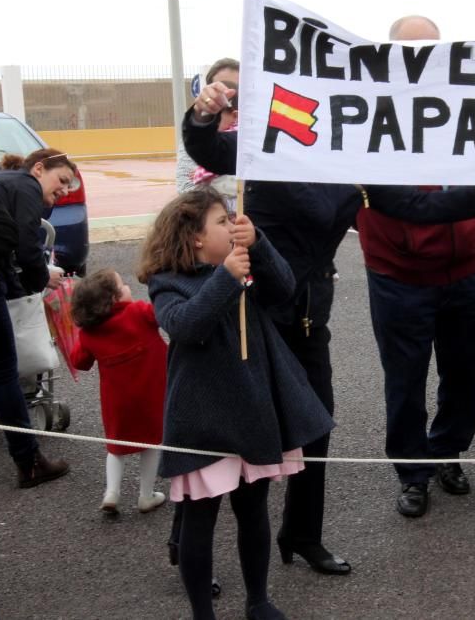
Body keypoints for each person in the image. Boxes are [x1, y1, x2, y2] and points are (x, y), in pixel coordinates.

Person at [186, 84, 475, 570]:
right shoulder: (274, 140)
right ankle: (187, 545)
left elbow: (416, 207)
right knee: (228, 427)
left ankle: (303, 535)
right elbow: (208, 149)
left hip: (309, 310)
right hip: (253, 305)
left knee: (316, 425)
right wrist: (203, 116)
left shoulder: (357, 163)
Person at [139, 189, 334, 620]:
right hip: (202, 417)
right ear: (194, 237)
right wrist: (226, 278)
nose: (232, 226)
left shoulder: (245, 263)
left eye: (232, 220)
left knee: (253, 510)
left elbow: (284, 289)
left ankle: (258, 599)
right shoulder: (167, 280)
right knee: (199, 521)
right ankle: (202, 613)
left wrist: (259, 244)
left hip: (253, 406)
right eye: (222, 222)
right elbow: (186, 327)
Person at [358, 15, 475, 518]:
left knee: (463, 375)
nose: (422, 57)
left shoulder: (468, 102)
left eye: (431, 48)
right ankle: (413, 473)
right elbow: (405, 203)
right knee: (405, 381)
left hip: (465, 270)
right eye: (411, 49)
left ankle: (448, 453)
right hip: (398, 276)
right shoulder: (369, 115)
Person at [0, 149, 73, 490]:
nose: (64, 190)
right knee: (3, 370)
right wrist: (38, 281)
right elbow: (25, 244)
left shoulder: (1, 181)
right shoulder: (26, 186)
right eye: (61, 180)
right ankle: (29, 461)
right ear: (39, 169)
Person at [70, 269, 168, 514]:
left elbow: (79, 361)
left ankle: (111, 492)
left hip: (117, 400)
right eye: (122, 284)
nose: (127, 286)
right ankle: (146, 495)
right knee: (152, 443)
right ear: (113, 298)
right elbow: (167, 315)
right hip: (151, 393)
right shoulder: (138, 313)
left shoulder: (90, 333)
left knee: (116, 446)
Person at [175, 58, 239, 194]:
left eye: (238, 88)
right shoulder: (195, 136)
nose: (230, 94)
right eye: (222, 87)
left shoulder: (258, 133)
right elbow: (186, 189)